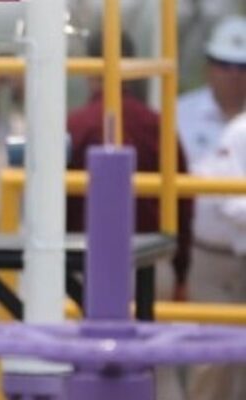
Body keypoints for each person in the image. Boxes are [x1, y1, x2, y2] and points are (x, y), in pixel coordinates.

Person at [66, 30, 193, 301]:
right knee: (149, 341)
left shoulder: (75, 126)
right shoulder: (157, 124)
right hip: (150, 259)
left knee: (77, 343)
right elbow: (183, 202)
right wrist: (181, 273)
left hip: (82, 263)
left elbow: (54, 203)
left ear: (88, 66)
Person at [186, 111, 246, 400]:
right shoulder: (242, 131)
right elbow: (232, 200)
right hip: (220, 258)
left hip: (234, 258)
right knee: (212, 367)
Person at [177, 16, 246, 169]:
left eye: (242, 66)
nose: (234, 74)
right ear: (208, 67)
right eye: (224, 64)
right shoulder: (178, 115)